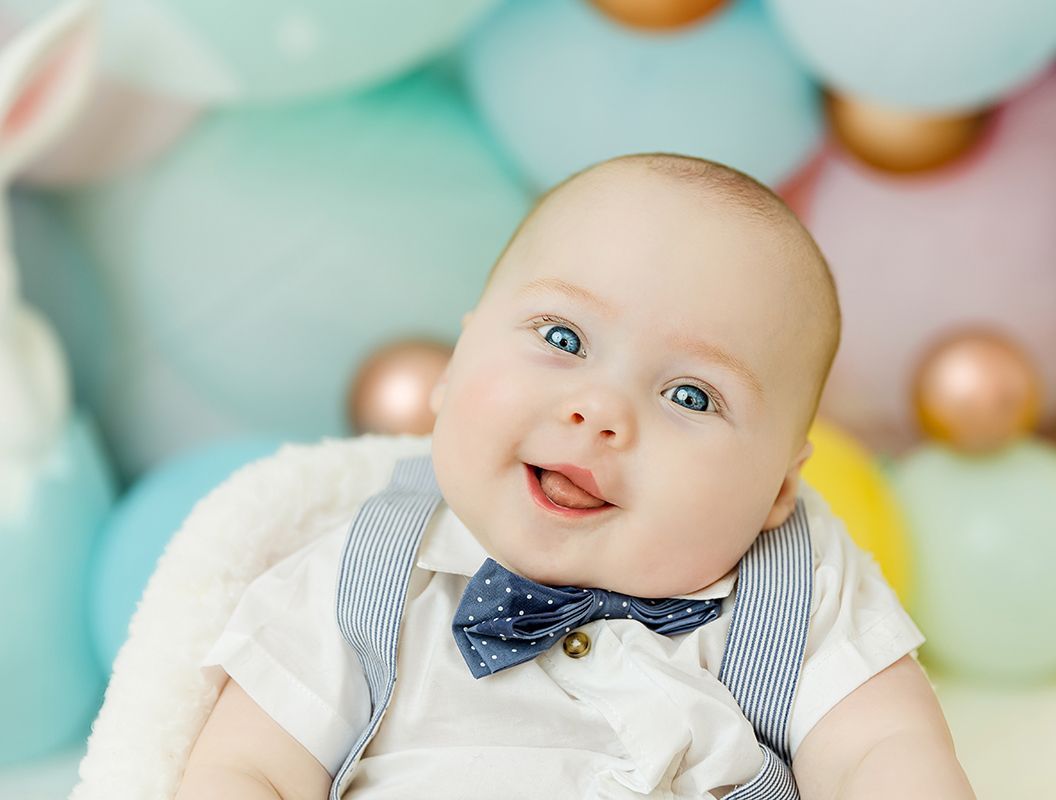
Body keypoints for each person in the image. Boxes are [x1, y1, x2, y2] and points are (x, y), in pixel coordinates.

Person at [175, 153, 976, 799]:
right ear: (455, 368)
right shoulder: (365, 575)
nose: (600, 411)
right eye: (562, 338)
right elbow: (249, 769)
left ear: (774, 493)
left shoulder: (798, 591)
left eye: (690, 395)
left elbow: (882, 750)